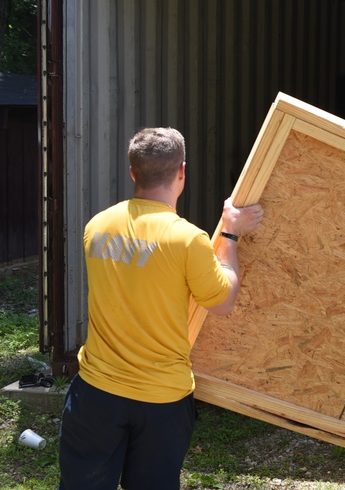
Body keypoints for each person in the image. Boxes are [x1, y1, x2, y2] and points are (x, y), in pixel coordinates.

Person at [58, 127, 264, 490]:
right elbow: (223, 301)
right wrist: (230, 235)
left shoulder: (97, 227)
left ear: (133, 172)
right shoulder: (187, 240)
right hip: (162, 400)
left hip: (96, 393)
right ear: (181, 171)